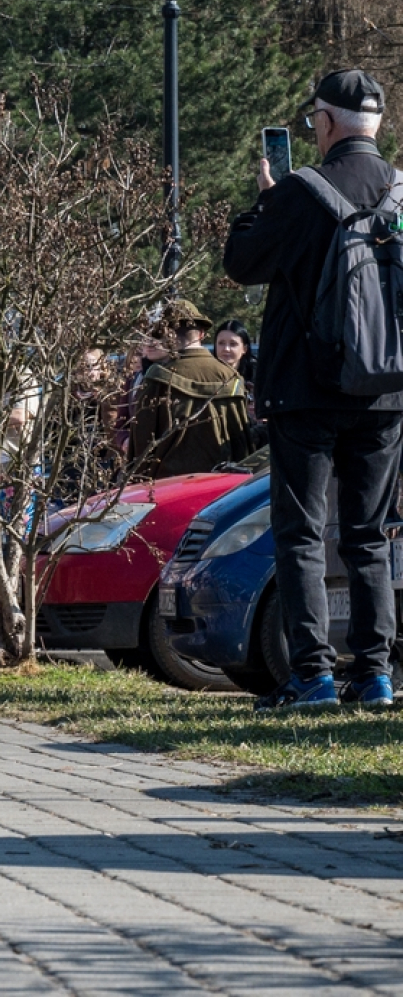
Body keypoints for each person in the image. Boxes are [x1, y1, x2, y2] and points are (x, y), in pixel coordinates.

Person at [223, 68, 402, 709]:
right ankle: (376, 675)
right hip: (386, 391)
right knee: (368, 535)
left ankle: (313, 675)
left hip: (306, 388)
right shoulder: (402, 193)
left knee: (300, 534)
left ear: (323, 123)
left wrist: (265, 197)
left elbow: (241, 262)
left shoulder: (300, 191)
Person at [128, 299, 253, 479]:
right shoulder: (232, 378)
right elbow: (243, 444)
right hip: (223, 489)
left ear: (167, 335)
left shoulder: (158, 378)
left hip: (169, 490)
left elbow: (140, 448)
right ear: (201, 334)